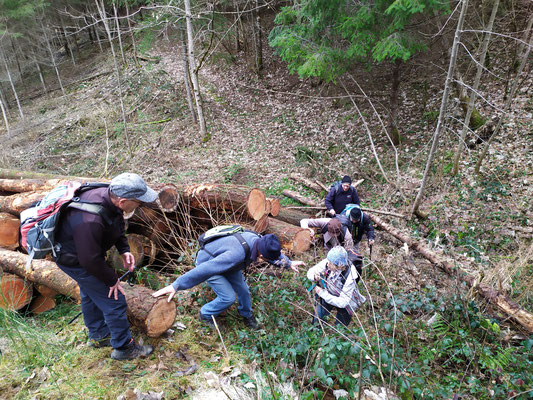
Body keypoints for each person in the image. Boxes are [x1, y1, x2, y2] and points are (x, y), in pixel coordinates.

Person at [54, 173, 157, 361]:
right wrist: (112, 280)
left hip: (85, 254)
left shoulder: (109, 197)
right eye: (139, 203)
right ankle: (124, 348)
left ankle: (98, 335)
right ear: (124, 200)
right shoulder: (89, 220)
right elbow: (89, 261)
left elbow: (115, 222)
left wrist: (124, 249)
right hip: (74, 259)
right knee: (114, 299)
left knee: (90, 293)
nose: (140, 205)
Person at [152, 232, 306, 329]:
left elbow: (274, 254)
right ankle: (205, 314)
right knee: (228, 297)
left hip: (228, 265)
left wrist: (289, 263)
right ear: (261, 253)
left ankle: (247, 316)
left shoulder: (259, 240)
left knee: (244, 291)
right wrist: (177, 285)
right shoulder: (236, 254)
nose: (268, 260)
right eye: (266, 258)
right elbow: (206, 269)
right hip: (208, 262)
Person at [307, 246, 366, 327]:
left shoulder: (350, 276)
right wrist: (314, 277)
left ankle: (339, 337)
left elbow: (343, 302)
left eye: (331, 263)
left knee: (341, 327)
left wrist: (322, 293)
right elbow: (310, 272)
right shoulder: (330, 261)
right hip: (329, 292)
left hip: (346, 303)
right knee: (316, 321)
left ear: (340, 266)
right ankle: (316, 333)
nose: (328, 264)